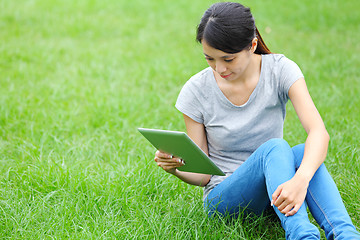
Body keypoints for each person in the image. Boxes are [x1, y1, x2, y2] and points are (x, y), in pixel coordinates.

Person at [153, 2, 359, 239]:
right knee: (276, 147)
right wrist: (176, 169)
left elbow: (318, 132)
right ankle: (301, 234)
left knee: (303, 153)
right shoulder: (196, 91)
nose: (219, 68)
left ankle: (346, 234)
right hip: (224, 200)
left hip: (275, 191)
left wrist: (301, 179)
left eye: (228, 59)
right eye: (210, 58)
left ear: (252, 46)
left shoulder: (280, 70)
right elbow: (203, 176)